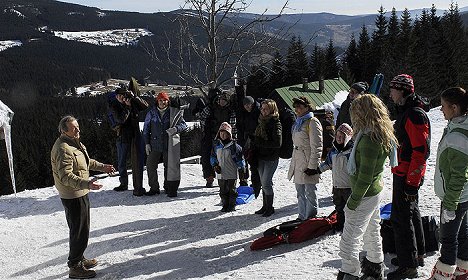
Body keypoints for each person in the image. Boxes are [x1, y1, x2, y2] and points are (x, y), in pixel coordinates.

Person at [337, 94, 398, 280]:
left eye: (355, 112)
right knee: (371, 232)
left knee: (350, 239)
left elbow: (365, 176)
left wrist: (353, 201)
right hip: (374, 192)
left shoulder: (371, 139)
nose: (353, 117)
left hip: (365, 194)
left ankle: (349, 272)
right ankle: (374, 267)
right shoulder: (373, 132)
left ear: (362, 113)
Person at [51, 116, 115, 279]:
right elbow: (65, 176)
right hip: (73, 194)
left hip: (79, 192)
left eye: (78, 126)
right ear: (63, 131)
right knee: (78, 230)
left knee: (82, 229)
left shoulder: (74, 142)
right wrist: (86, 184)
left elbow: (86, 162)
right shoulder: (63, 148)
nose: (78, 130)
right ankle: (75, 266)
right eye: (74, 128)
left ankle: (79, 258)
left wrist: (103, 167)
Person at [387, 74, 431, 280]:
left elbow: (421, 151)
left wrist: (412, 182)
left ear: (403, 90)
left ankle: (408, 265)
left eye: (393, 89)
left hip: (407, 175)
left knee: (401, 218)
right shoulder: (407, 111)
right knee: (411, 214)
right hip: (404, 173)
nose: (390, 93)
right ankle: (417, 255)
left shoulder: (414, 114)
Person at [428, 87, 468, 280]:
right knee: (462, 235)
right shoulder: (458, 128)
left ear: (454, 107)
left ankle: (443, 276)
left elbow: (459, 176)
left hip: (455, 198)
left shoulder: (457, 137)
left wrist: (450, 205)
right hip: (464, 196)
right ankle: (461, 272)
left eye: (443, 106)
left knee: (448, 239)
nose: (441, 109)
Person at [143, 92, 188, 197]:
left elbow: (184, 125)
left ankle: (168, 187)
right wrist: (147, 143)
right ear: (157, 101)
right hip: (154, 144)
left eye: (164, 100)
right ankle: (154, 188)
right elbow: (146, 129)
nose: (162, 102)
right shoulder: (151, 113)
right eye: (160, 100)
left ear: (168, 101)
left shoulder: (173, 112)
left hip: (170, 144)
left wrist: (176, 129)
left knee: (169, 167)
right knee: (150, 166)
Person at [287, 96, 323, 221]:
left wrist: (313, 166)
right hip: (298, 160)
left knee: (309, 191)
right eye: (296, 107)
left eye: (300, 107)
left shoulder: (312, 122)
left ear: (307, 107)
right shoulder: (298, 122)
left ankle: (311, 217)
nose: (297, 110)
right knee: (300, 192)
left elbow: (317, 146)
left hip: (308, 160)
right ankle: (302, 216)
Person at [314, 123, 354, 231]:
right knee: (339, 207)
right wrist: (317, 170)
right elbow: (327, 163)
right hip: (337, 186)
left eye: (342, 136)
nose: (339, 138)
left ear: (348, 137)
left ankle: (350, 226)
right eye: (337, 135)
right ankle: (340, 224)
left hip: (349, 186)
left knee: (350, 208)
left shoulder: (352, 151)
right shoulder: (333, 150)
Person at [109, 87, 149, 196]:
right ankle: (123, 184)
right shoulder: (114, 106)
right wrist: (127, 107)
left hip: (135, 135)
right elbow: (121, 119)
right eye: (117, 96)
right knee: (122, 161)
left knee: (136, 161)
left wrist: (134, 97)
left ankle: (138, 186)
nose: (120, 97)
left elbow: (145, 106)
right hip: (122, 136)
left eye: (122, 95)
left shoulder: (132, 102)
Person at [199, 89, 237, 188]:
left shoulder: (231, 112)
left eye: (224, 100)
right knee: (207, 157)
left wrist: (233, 138)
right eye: (220, 99)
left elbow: (233, 125)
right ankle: (209, 178)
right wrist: (204, 130)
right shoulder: (211, 108)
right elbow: (202, 118)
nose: (221, 102)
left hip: (225, 138)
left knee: (225, 159)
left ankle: (225, 179)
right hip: (210, 136)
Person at [253, 99, 282, 217]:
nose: (263, 111)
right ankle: (265, 206)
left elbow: (277, 143)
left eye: (266, 109)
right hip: (261, 156)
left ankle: (270, 207)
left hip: (271, 158)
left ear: (272, 110)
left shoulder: (276, 123)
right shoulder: (261, 121)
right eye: (262, 108)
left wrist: (260, 142)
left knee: (266, 183)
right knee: (263, 182)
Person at [210, 122, 247, 212]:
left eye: (225, 133)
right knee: (223, 190)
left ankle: (231, 205)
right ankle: (225, 204)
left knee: (232, 190)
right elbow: (212, 157)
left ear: (229, 134)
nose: (222, 135)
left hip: (231, 172)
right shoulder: (216, 145)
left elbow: (240, 160)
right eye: (221, 133)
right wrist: (214, 165)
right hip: (220, 172)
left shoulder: (235, 147)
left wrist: (242, 170)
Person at [237, 96, 262, 197]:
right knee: (244, 161)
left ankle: (258, 181)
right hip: (246, 139)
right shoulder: (243, 113)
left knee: (256, 162)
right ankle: (244, 180)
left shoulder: (258, 111)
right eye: (245, 105)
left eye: (249, 104)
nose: (247, 107)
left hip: (257, 139)